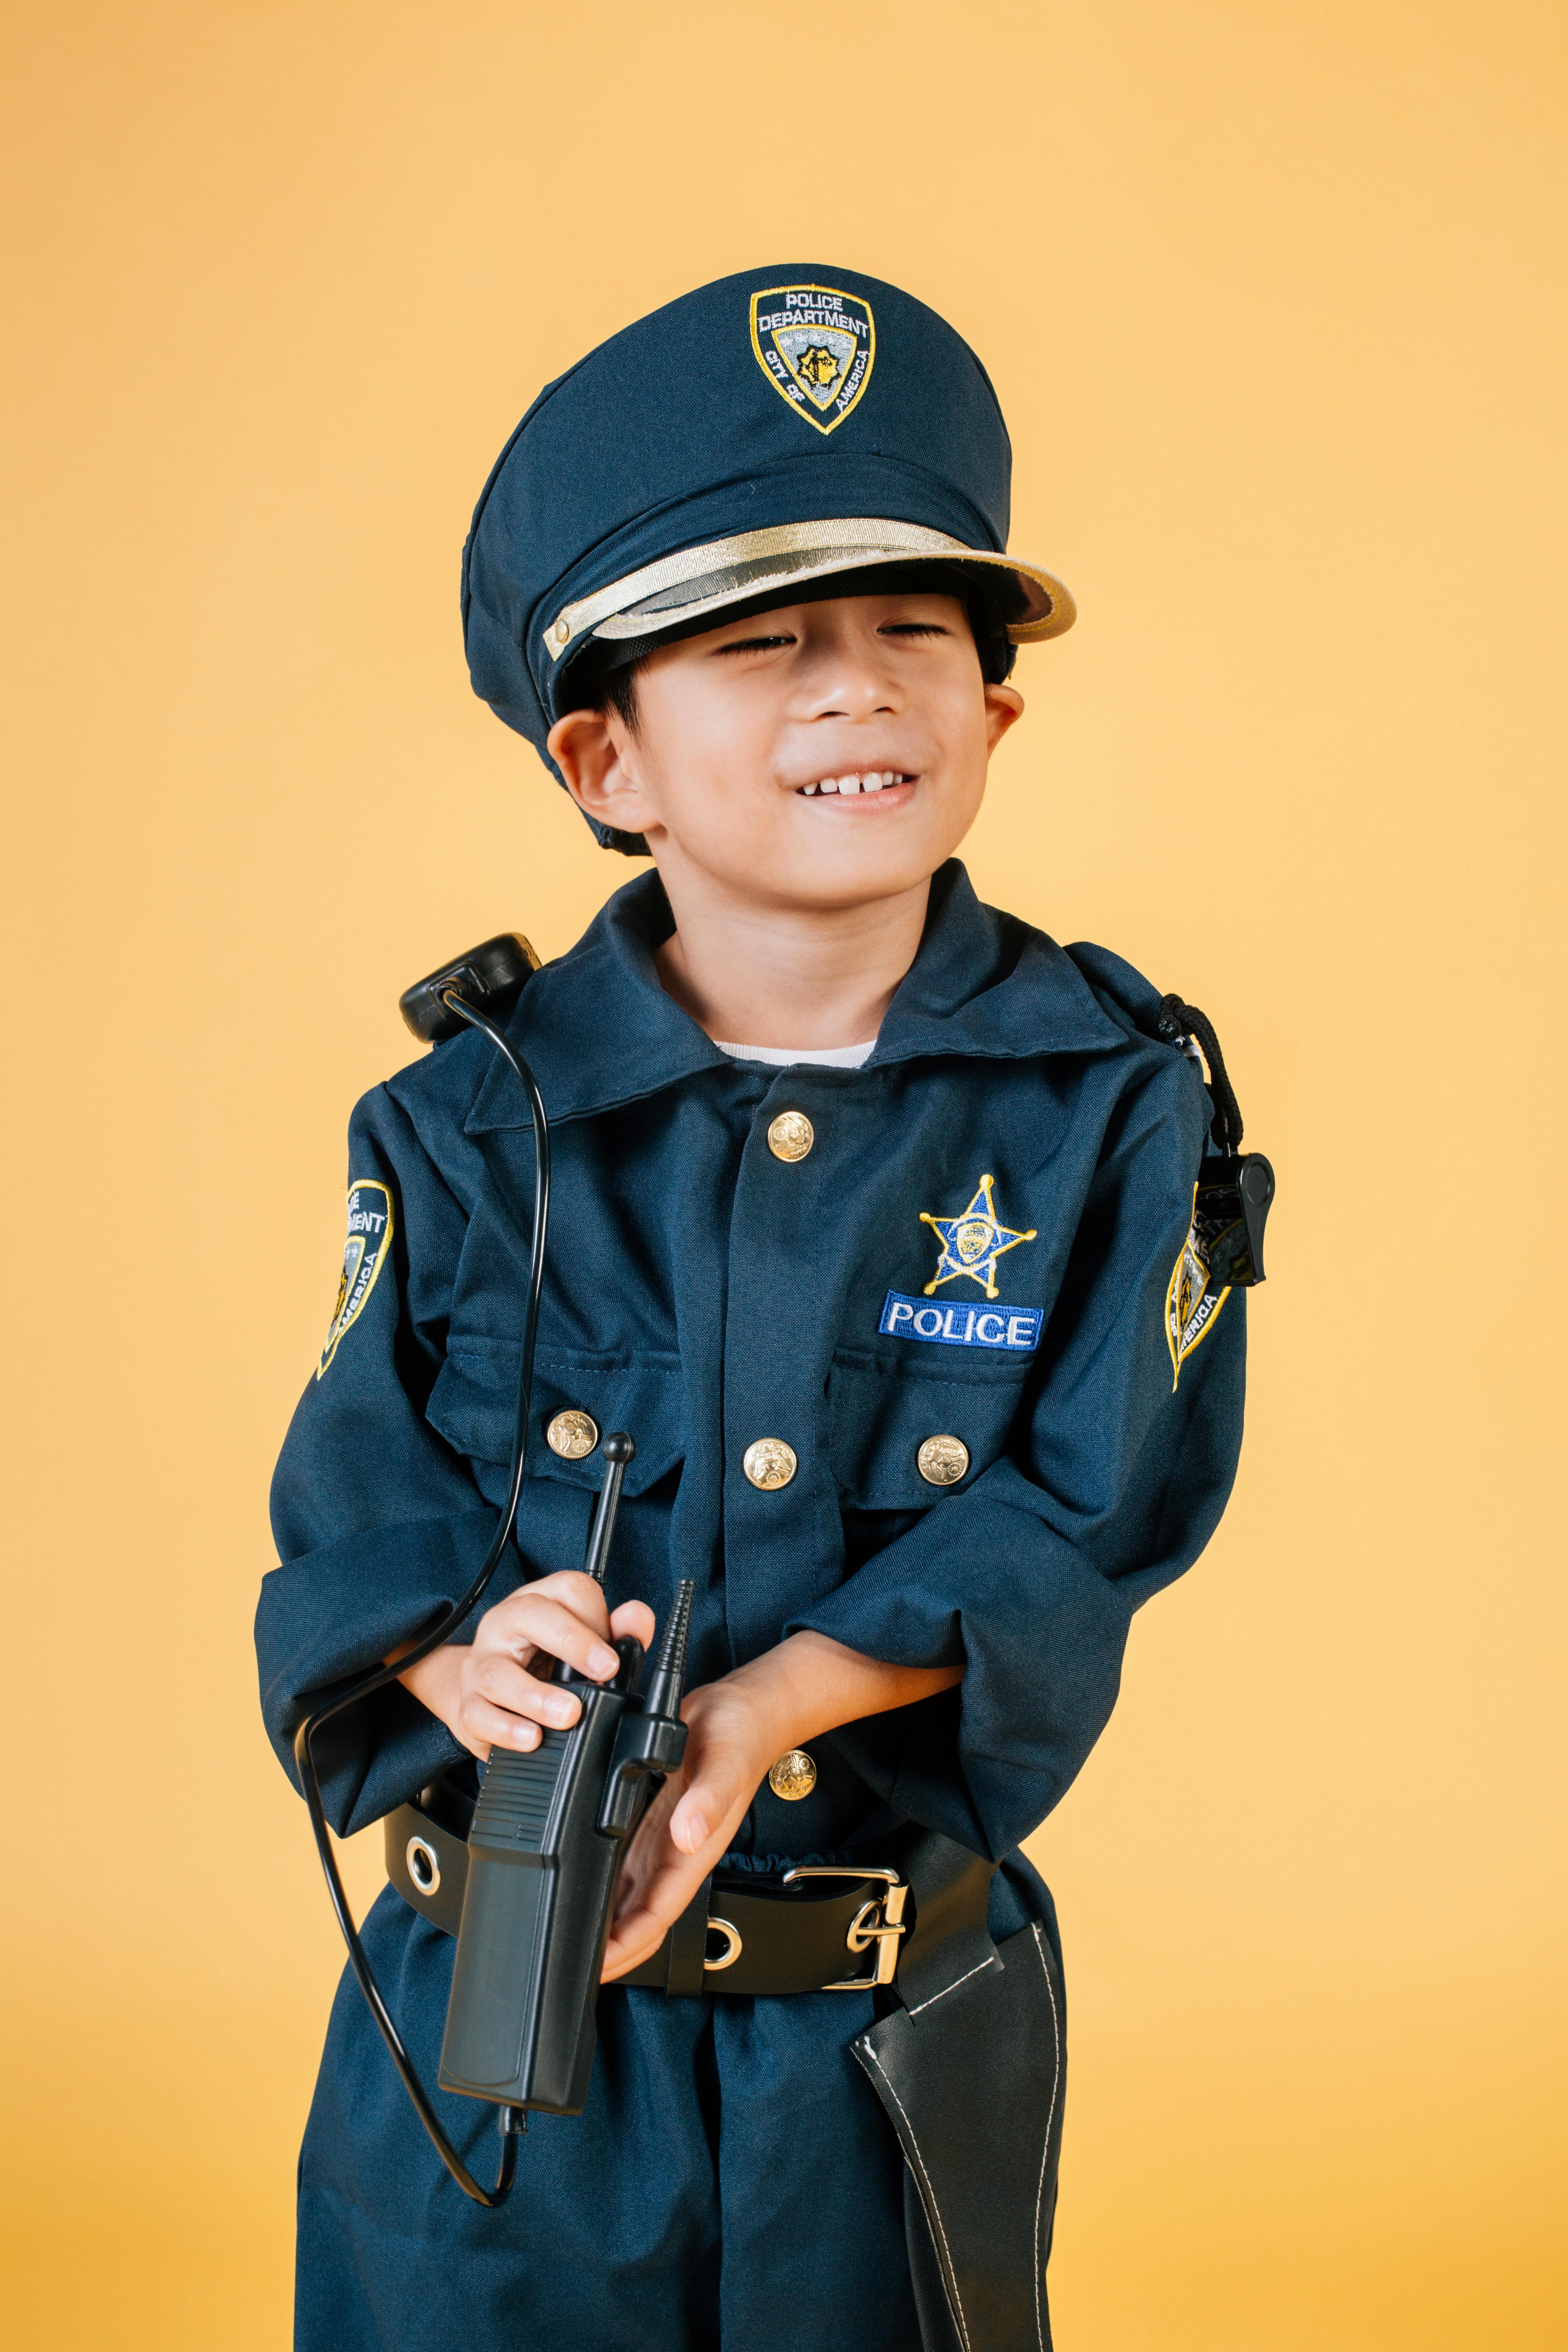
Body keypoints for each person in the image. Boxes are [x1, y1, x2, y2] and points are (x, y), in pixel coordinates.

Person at [257, 266, 1250, 2352]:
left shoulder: (1113, 1104)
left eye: (917, 631)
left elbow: (1092, 1504)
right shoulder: (470, 1119)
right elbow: (358, 1485)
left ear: (996, 712)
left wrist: (786, 1695)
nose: (854, 690)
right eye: (762, 640)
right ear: (605, 755)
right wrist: (454, 1649)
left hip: (877, 2058)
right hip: (504, 2062)